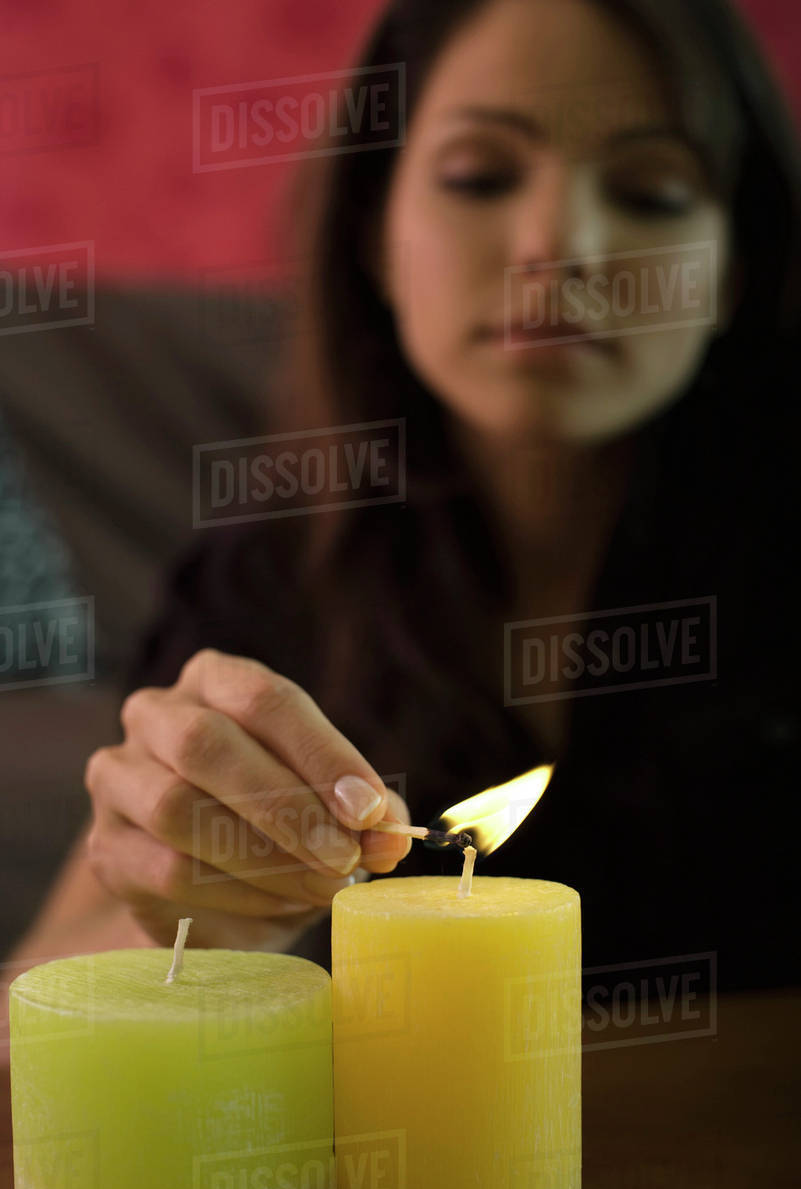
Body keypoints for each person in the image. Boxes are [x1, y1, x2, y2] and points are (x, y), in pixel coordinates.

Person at [12, 0, 801, 991]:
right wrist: (172, 909)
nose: (556, 247)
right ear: (377, 237)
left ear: (732, 271)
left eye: (650, 192)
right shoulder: (275, 582)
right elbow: (29, 1001)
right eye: (480, 175)